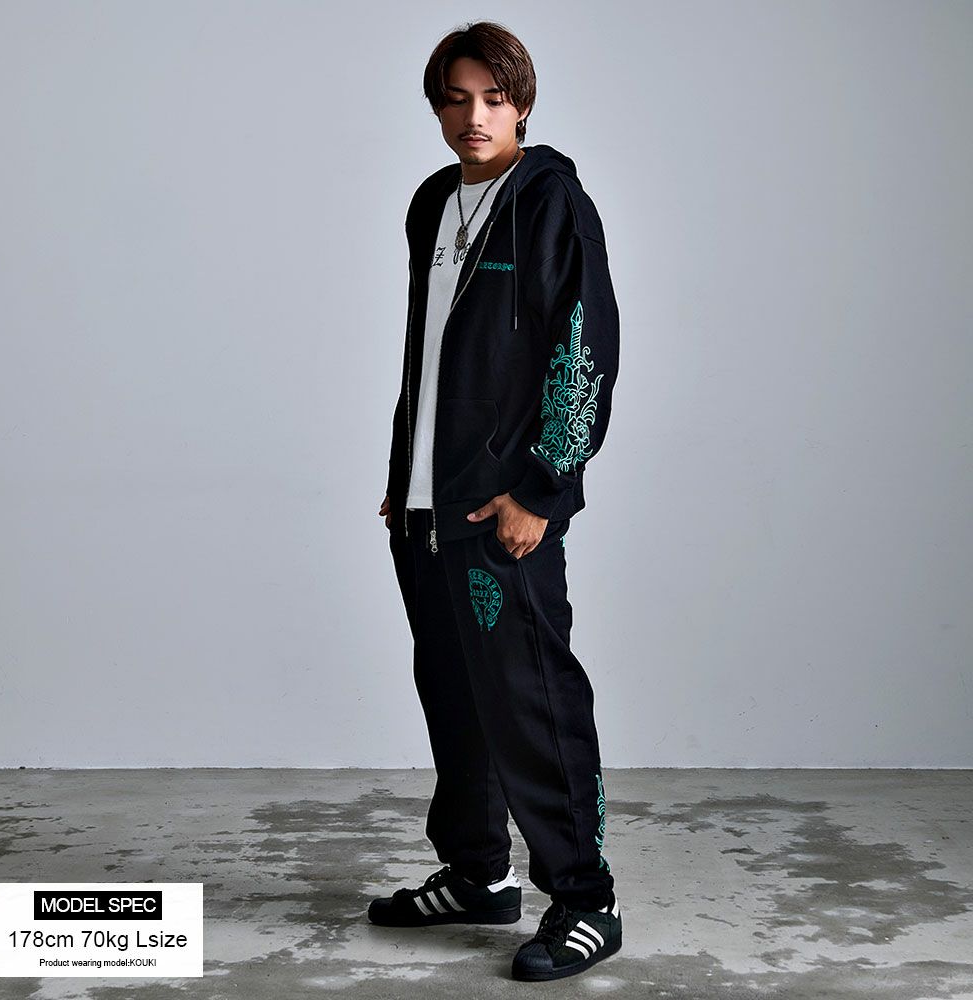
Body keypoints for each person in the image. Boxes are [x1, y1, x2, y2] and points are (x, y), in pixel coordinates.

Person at [371, 20, 622, 982]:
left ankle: (587, 898)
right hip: (426, 509)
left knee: (531, 699)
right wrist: (404, 476)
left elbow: (584, 347)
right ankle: (478, 876)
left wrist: (545, 491)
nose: (473, 116)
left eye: (493, 98)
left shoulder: (552, 202)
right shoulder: (432, 203)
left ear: (522, 103)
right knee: (455, 694)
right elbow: (427, 354)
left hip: (501, 510)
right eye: (456, 98)